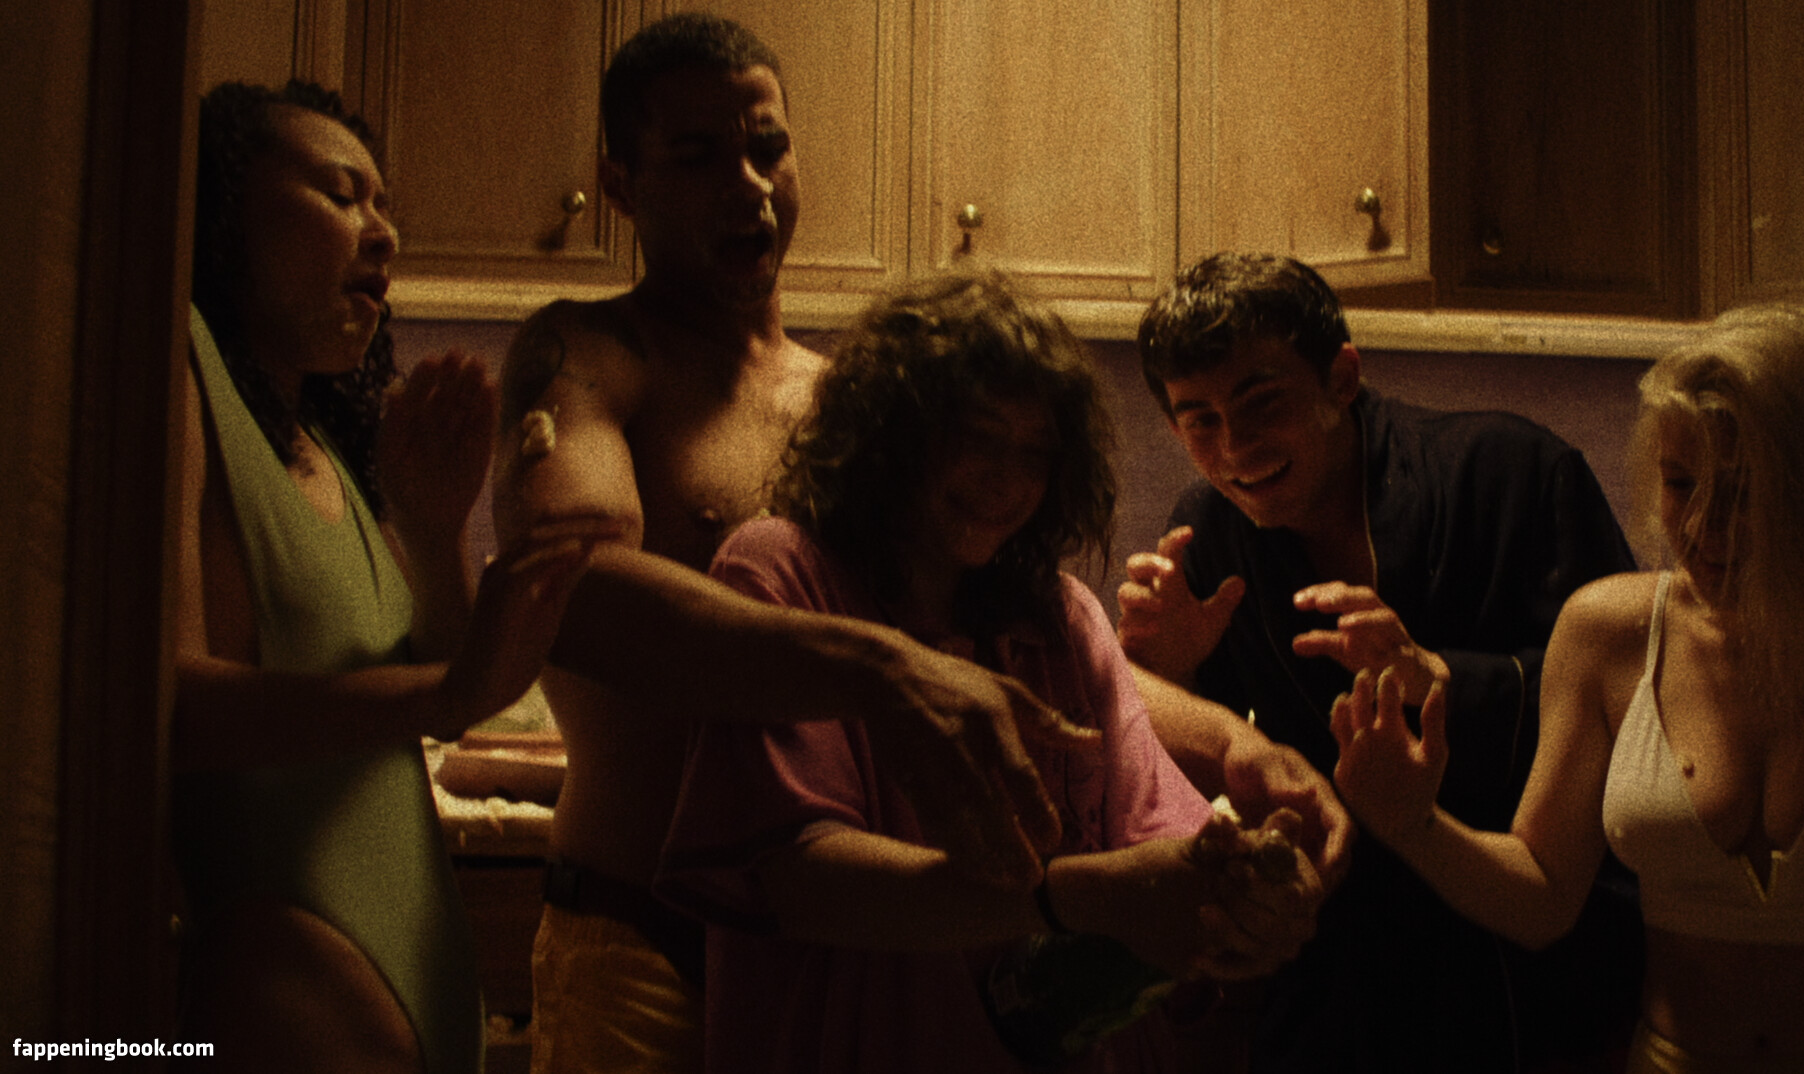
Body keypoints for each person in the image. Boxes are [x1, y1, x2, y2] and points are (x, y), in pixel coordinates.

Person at [491, 16, 1107, 1074]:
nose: (749, 186)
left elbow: (999, 638)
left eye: (767, 148)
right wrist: (881, 669)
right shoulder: (590, 356)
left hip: (821, 953)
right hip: (643, 944)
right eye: (697, 156)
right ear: (621, 183)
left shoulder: (847, 400)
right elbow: (574, 592)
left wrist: (1227, 744)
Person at [656, 269, 1322, 1074]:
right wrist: (1073, 895)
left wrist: (1236, 894)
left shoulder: (1060, 618)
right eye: (976, 438)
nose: (1007, 480)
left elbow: (1157, 837)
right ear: (891, 432)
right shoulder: (781, 573)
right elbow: (801, 880)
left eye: (1034, 453)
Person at [1331, 304, 1804, 1072]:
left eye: (1744, 491)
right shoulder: (1610, 633)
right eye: (1681, 484)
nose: (1704, 527)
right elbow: (1543, 896)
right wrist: (1414, 824)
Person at [172, 81, 610, 1072]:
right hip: (286, 985)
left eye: (384, 205)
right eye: (341, 195)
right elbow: (177, 712)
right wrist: (453, 690)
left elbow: (433, 672)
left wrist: (433, 524)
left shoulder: (324, 446)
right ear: (225, 210)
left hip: (413, 983)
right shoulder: (180, 368)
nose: (385, 234)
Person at [1118, 252, 1642, 1070]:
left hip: (1525, 947)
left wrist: (1441, 680)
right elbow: (1206, 771)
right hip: (1339, 964)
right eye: (1200, 420)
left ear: (1342, 379)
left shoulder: (1511, 470)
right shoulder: (1210, 532)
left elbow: (1636, 703)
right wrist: (1171, 671)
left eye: (1261, 402)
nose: (1235, 446)